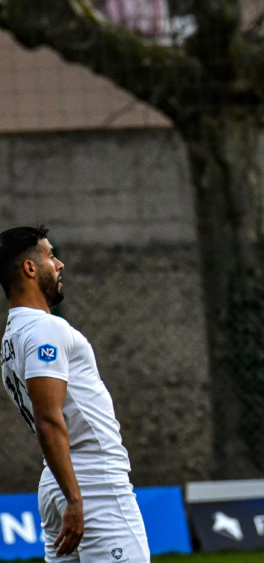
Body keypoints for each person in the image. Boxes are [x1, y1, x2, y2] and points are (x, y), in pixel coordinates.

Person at [1, 226, 151, 562]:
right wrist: (75, 499)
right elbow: (48, 418)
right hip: (92, 482)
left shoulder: (12, 338)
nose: (59, 264)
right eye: (51, 255)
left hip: (59, 481)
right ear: (29, 268)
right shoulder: (45, 329)